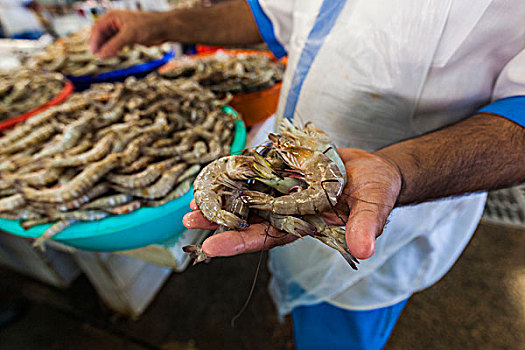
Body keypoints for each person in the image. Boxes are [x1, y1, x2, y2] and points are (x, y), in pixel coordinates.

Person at [91, 1, 525, 349]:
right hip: (294, 176)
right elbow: (274, 12)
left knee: (340, 329)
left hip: (385, 220)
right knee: (294, 300)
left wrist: (398, 170)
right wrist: (156, 25)